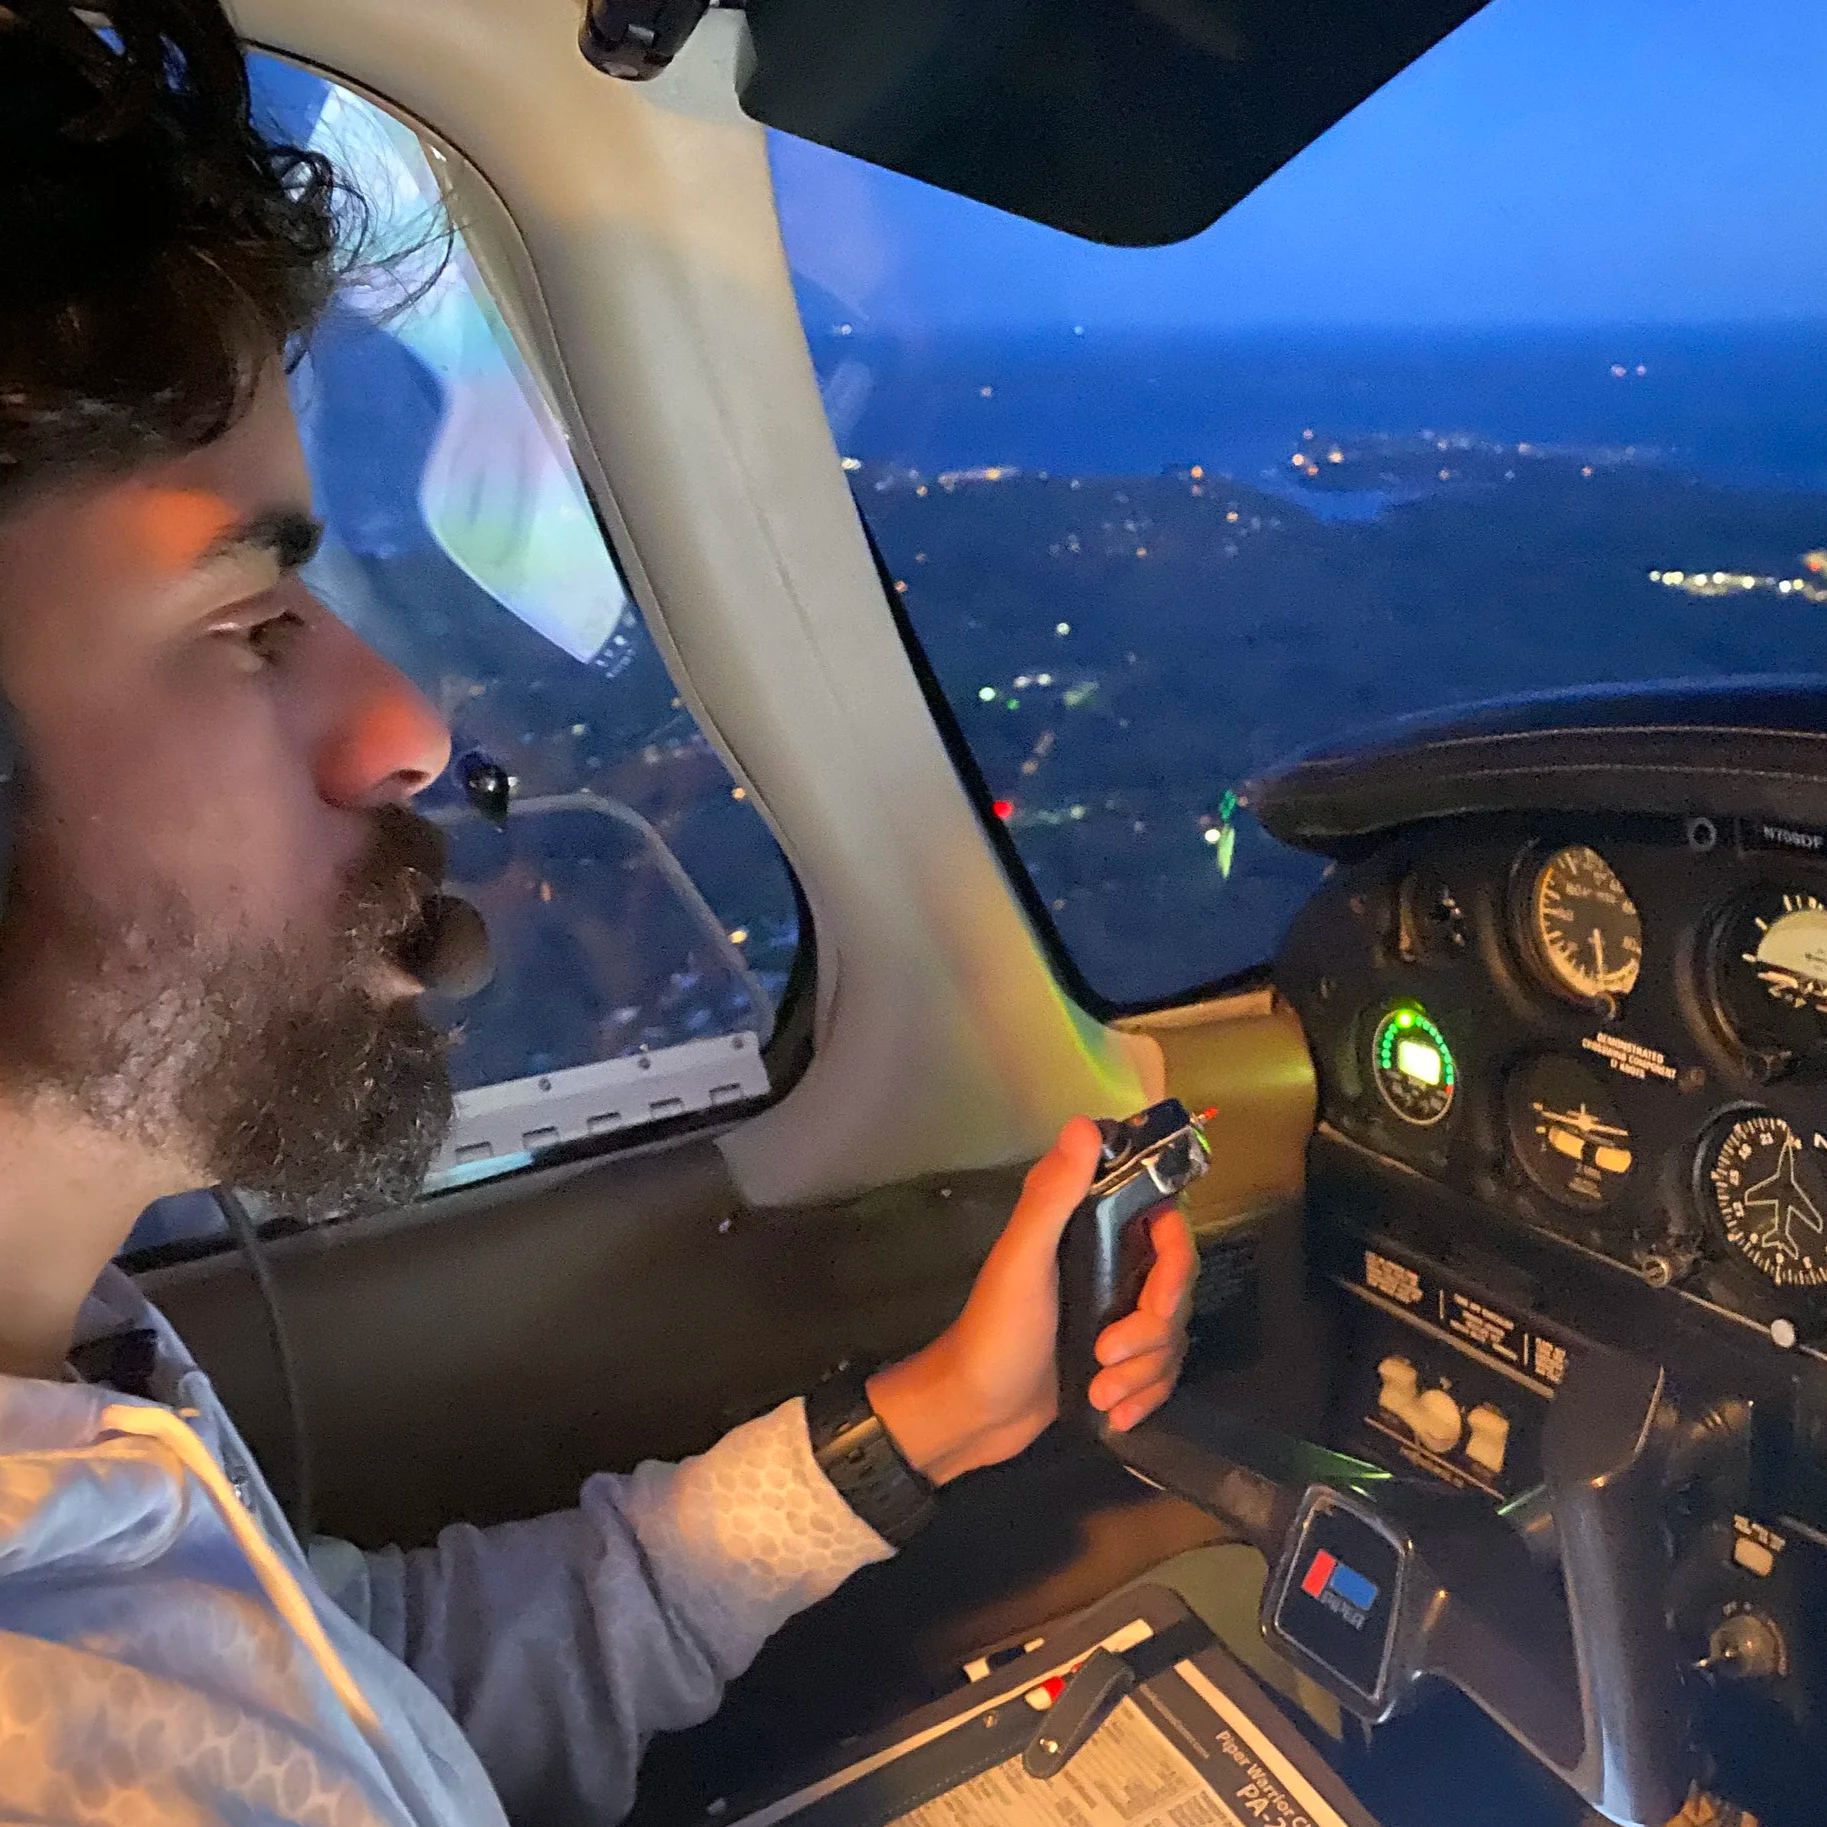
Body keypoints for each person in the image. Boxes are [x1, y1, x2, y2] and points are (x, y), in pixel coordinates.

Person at [0, 6, 1198, 1825]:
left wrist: (931, 1420)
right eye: (251, 626)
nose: (407, 731)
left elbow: (368, 1683)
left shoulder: (71, 1432)